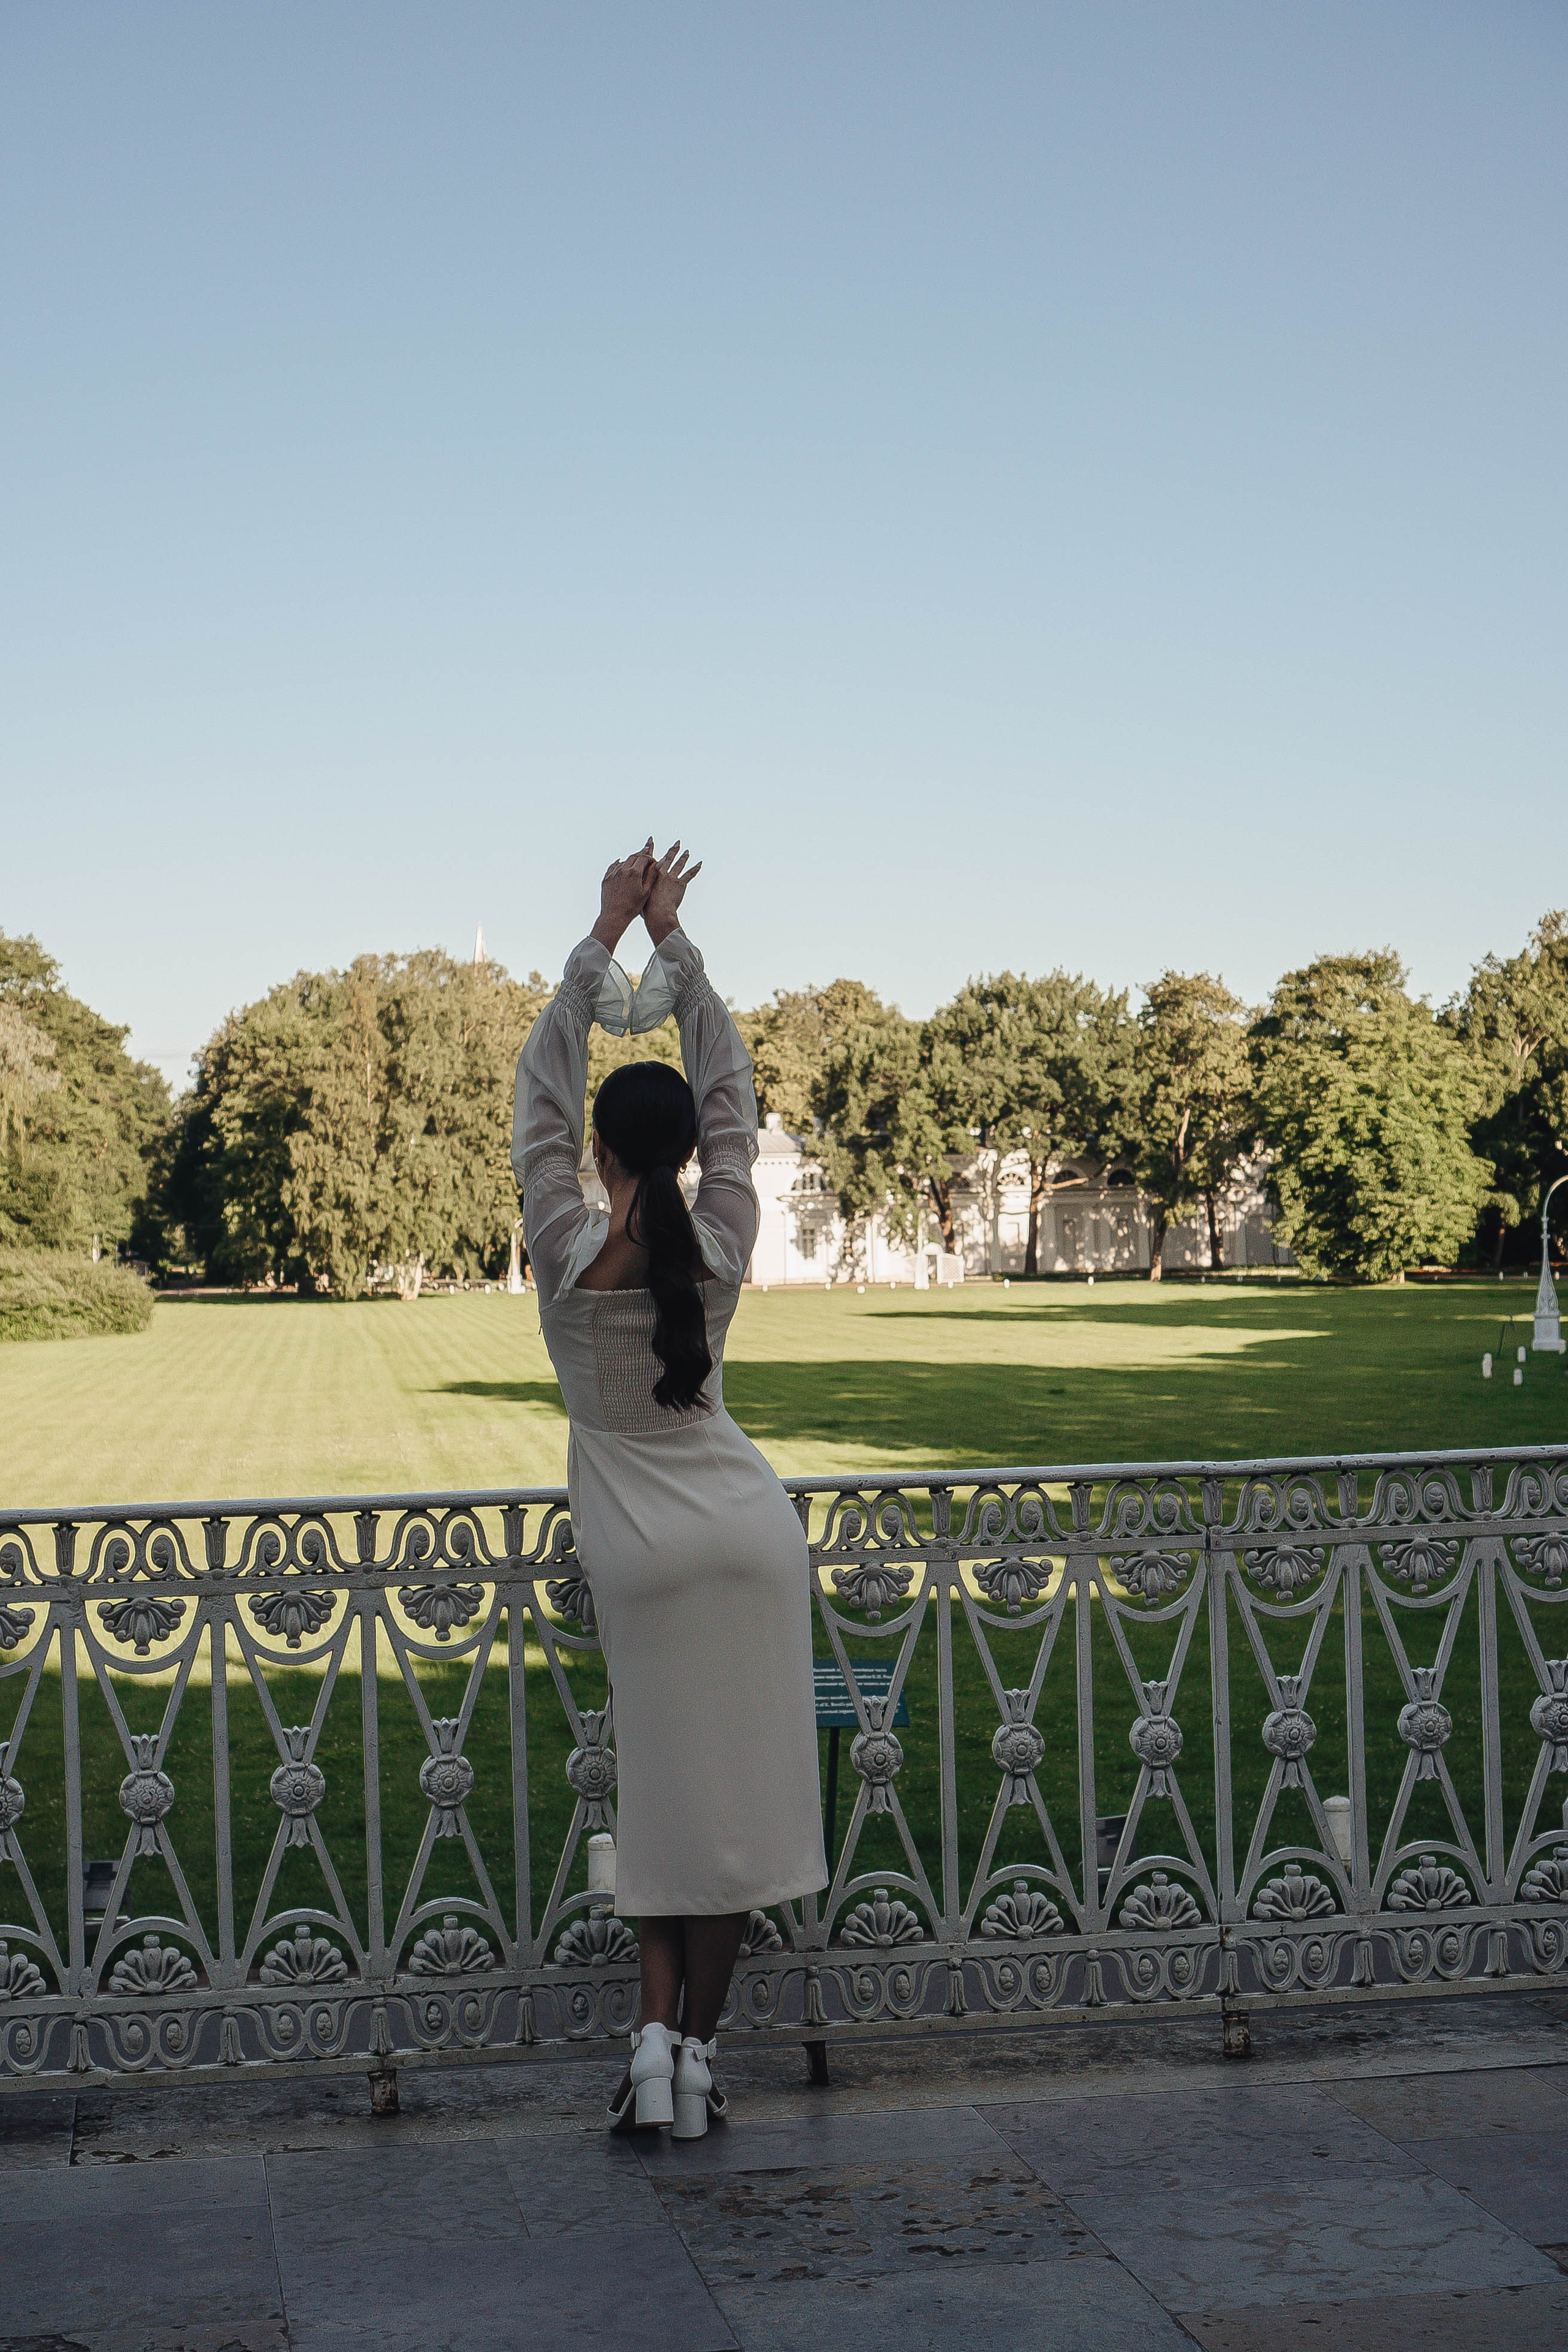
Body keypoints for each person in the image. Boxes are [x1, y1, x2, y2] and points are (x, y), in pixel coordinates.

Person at [512, 839, 827, 2136]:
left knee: (664, 1812)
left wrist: (601, 939)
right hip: (749, 1540)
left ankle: (651, 2049)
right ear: (691, 1149)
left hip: (640, 1557)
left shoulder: (562, 1251)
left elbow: (537, 1100)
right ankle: (692, 2058)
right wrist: (674, 944)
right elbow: (735, 1096)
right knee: (734, 1823)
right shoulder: (725, 1243)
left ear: (598, 1150)